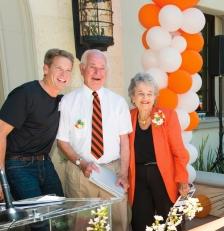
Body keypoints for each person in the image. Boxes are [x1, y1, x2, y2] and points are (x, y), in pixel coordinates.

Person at [56, 49, 131, 231]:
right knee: (80, 225)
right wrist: (81, 163)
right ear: (82, 69)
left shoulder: (118, 102)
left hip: (112, 174)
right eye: (92, 67)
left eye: (102, 68)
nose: (97, 73)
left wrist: (123, 173)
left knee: (118, 224)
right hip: (80, 174)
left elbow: (125, 143)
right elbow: (62, 141)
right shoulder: (68, 101)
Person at [0, 48, 74, 230]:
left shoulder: (62, 101)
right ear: (46, 69)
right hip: (18, 166)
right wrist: (0, 178)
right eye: (59, 68)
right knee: (40, 222)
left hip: (45, 163)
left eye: (68, 70)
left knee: (60, 217)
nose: (64, 75)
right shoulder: (25, 94)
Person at [127, 73, 189, 231]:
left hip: (163, 175)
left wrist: (182, 179)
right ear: (132, 96)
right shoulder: (128, 117)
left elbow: (179, 152)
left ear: (155, 97)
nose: (145, 98)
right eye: (140, 93)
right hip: (138, 177)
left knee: (170, 222)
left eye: (149, 94)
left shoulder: (167, 115)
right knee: (140, 223)